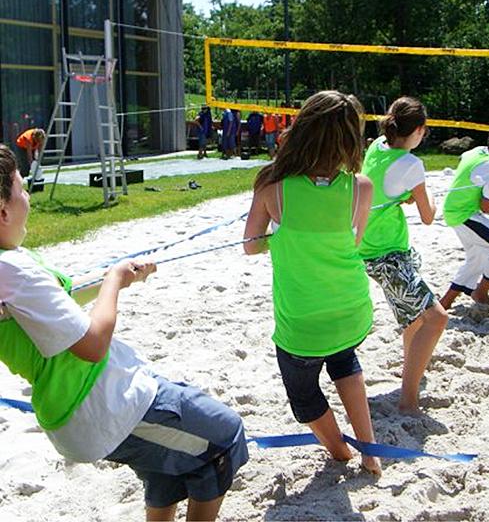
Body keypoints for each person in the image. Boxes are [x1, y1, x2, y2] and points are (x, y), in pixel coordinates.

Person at [0, 144, 248, 522]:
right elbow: (94, 345)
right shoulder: (12, 269)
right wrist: (114, 280)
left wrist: (120, 276)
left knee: (168, 468)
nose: (28, 197)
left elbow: (57, 298)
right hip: (99, 402)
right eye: (21, 188)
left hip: (87, 406)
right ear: (3, 211)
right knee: (224, 440)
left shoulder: (10, 268)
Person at [244, 90, 381, 475]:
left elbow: (250, 246)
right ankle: (370, 453)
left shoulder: (272, 184)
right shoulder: (361, 187)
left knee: (304, 396)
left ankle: (341, 453)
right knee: (343, 359)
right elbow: (352, 241)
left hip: (302, 322)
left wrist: (283, 234)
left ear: (301, 129)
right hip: (352, 310)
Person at [359, 97, 447, 415]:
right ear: (420, 131)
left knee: (414, 318)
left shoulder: (377, 145)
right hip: (386, 255)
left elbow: (382, 188)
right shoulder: (412, 164)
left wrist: (403, 195)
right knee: (437, 318)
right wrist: (426, 194)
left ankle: (411, 378)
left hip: (369, 248)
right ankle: (409, 400)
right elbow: (428, 215)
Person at [440, 124, 489, 313]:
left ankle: (445, 302)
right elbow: (486, 207)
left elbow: (471, 171)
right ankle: (481, 292)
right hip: (464, 214)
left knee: (476, 257)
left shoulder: (476, 151)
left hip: (452, 210)